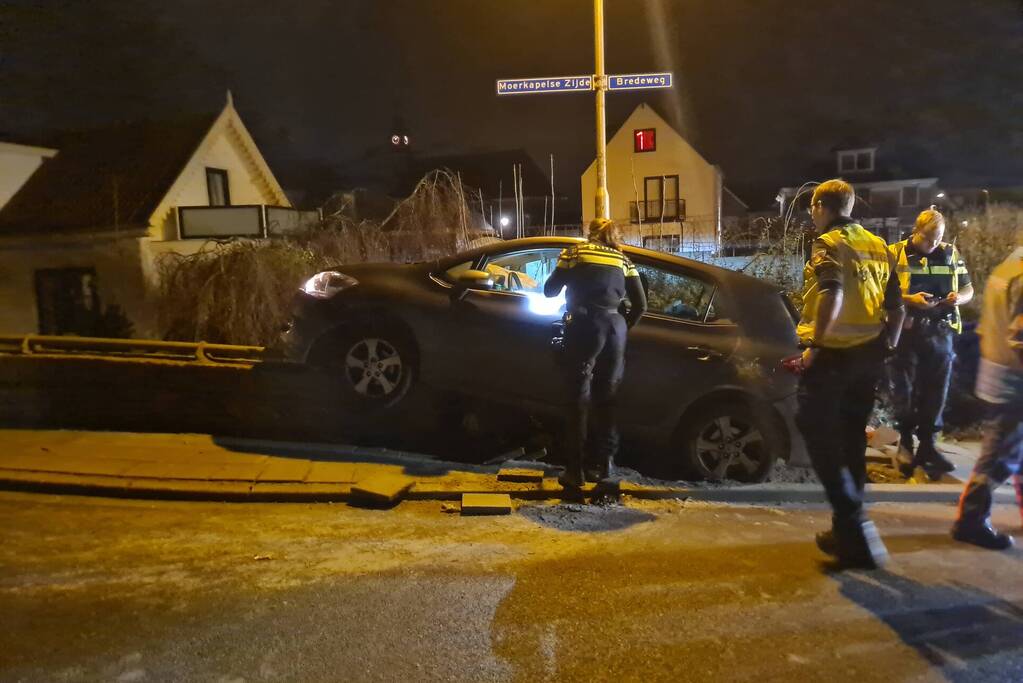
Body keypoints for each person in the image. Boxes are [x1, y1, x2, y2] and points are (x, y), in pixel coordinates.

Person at [796, 179, 906, 569]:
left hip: (833, 358)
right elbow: (897, 309)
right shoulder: (877, 246)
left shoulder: (828, 243)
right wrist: (886, 348)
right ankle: (845, 533)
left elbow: (831, 293)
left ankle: (854, 524)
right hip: (868, 358)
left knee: (814, 430)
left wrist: (817, 347)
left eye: (812, 208)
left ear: (821, 206)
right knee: (851, 444)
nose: (812, 216)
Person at [543, 218, 647, 488]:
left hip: (584, 325)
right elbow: (641, 304)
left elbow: (549, 290)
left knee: (578, 400)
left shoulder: (576, 252)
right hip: (615, 329)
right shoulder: (624, 260)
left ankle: (574, 472)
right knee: (607, 399)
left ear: (590, 233)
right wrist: (624, 326)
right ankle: (604, 467)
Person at [888, 209, 973, 477]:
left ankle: (928, 446)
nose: (933, 245)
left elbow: (969, 288)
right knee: (906, 391)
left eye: (937, 239)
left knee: (937, 392)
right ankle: (905, 444)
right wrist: (909, 299)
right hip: (906, 333)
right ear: (916, 231)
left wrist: (959, 298)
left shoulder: (950, 253)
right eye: (928, 239)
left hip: (940, 332)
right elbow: (880, 292)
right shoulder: (895, 253)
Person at [952, 244, 1023, 550]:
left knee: (1012, 449)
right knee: (1002, 455)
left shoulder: (1011, 264)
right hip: (1014, 377)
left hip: (996, 368)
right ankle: (971, 520)